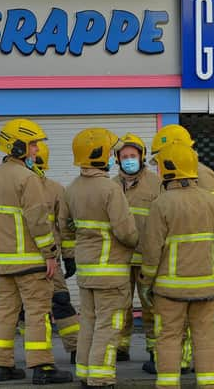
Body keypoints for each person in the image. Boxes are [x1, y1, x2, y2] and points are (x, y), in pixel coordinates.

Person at [0, 118, 73, 385]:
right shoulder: (28, 178)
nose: (36, 149)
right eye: (33, 144)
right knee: (37, 313)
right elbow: (38, 221)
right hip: (31, 262)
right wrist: (49, 254)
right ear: (18, 146)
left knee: (3, 312)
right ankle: (42, 367)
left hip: (3, 263)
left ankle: (1, 365)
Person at [140, 142, 214, 389]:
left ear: (169, 168)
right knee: (205, 337)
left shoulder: (162, 203)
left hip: (170, 290)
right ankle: (210, 385)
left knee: (169, 337)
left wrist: (146, 283)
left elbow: (151, 250)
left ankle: (168, 385)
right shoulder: (210, 200)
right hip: (206, 288)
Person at [60, 128, 138, 389]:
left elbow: (65, 227)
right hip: (112, 273)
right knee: (109, 325)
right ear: (100, 155)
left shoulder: (71, 189)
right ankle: (101, 378)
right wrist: (137, 240)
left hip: (86, 272)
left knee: (89, 323)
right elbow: (126, 232)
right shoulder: (110, 189)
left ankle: (84, 372)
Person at [112, 134, 161, 371]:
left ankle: (155, 349)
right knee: (120, 306)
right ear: (117, 159)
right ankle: (120, 347)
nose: (129, 160)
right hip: (119, 258)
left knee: (151, 306)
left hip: (147, 258)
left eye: (133, 156)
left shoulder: (156, 184)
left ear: (141, 157)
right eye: (124, 157)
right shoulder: (111, 186)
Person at [34, 142, 79, 364]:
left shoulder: (56, 190)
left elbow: (66, 226)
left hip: (48, 260)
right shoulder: (17, 187)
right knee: (30, 310)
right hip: (32, 261)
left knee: (60, 301)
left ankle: (75, 348)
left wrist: (69, 255)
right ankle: (38, 355)